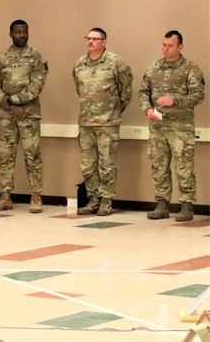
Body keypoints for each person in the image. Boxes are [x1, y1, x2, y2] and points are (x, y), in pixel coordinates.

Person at [139, 30, 206, 222]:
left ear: (180, 47)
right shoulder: (154, 68)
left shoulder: (190, 69)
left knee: (184, 166)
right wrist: (147, 109)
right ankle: (161, 204)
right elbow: (143, 91)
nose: (165, 49)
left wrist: (173, 100)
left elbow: (198, 95)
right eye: (163, 45)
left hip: (180, 127)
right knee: (158, 166)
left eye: (170, 45)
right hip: (158, 127)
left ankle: (186, 205)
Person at [0, 20, 48, 212]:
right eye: (18, 32)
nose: (22, 35)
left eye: (25, 32)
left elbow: (36, 85)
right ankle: (5, 196)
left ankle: (36, 197)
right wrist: (10, 105)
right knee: (5, 155)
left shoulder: (36, 57)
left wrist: (15, 101)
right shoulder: (0, 58)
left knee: (33, 155)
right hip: (7, 115)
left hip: (29, 114)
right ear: (11, 34)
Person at [72, 28, 133, 216]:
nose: (90, 42)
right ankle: (93, 199)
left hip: (108, 122)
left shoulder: (116, 63)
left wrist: (113, 110)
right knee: (88, 164)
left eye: (95, 39)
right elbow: (79, 88)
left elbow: (126, 91)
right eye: (88, 38)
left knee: (107, 163)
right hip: (86, 122)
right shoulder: (80, 63)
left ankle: (106, 200)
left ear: (104, 42)